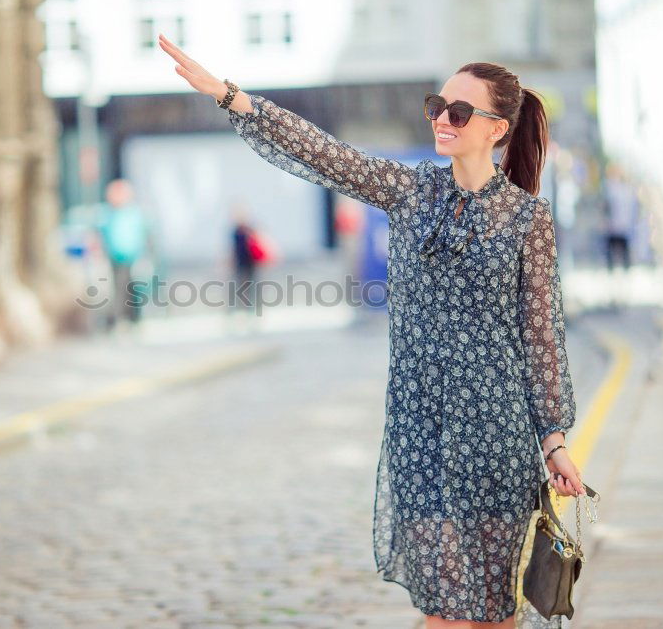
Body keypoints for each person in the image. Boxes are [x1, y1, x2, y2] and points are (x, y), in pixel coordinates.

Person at [159, 34, 586, 628]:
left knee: (491, 614)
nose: (442, 118)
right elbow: (325, 154)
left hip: (497, 439)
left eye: (459, 111)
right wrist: (232, 98)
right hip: (421, 436)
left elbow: (540, 336)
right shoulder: (410, 191)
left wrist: (555, 441)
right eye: (437, 105)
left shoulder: (527, 217)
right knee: (443, 611)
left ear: (497, 128)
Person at [98, 178, 149, 330]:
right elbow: (102, 234)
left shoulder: (133, 213)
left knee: (133, 288)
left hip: (132, 256)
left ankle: (133, 318)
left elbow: (144, 234)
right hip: (116, 257)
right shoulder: (108, 214)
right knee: (118, 289)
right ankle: (118, 319)